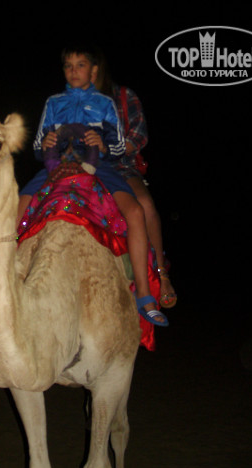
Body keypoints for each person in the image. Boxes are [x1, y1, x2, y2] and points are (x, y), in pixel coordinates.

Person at [17, 44, 168, 327]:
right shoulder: (53, 102)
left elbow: (118, 145)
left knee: (136, 212)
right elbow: (38, 146)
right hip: (57, 165)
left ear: (93, 70)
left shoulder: (105, 103)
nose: (74, 71)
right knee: (18, 206)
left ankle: (144, 294)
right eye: (68, 66)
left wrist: (104, 146)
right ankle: (4, 283)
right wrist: (46, 144)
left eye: (81, 65)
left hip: (99, 166)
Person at [94, 51, 177, 309]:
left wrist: (111, 148)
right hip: (85, 169)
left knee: (146, 206)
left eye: (87, 65)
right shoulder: (70, 102)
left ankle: (161, 274)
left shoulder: (123, 96)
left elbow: (139, 135)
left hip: (122, 167)